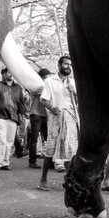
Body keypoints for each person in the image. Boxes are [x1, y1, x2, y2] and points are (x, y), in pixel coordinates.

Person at [37, 61, 78, 191]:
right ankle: (43, 179)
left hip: (70, 117)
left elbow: (79, 103)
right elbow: (43, 99)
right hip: (56, 117)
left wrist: (75, 92)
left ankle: (69, 180)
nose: (68, 67)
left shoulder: (73, 83)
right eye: (66, 64)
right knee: (51, 147)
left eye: (70, 64)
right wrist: (52, 108)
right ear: (59, 66)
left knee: (70, 149)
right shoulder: (50, 81)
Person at [0, 67, 26, 172]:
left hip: (13, 116)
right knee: (0, 138)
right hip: (0, 115)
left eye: (12, 72)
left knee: (9, 141)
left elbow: (20, 102)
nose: (11, 75)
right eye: (9, 72)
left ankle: (5, 162)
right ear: (4, 74)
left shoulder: (18, 88)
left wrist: (23, 113)